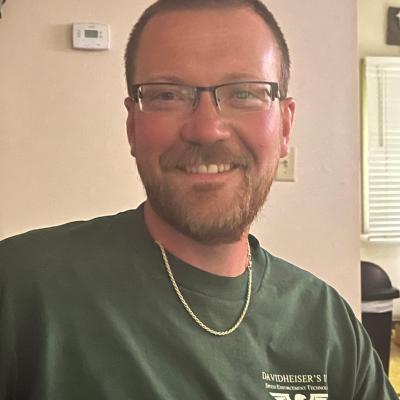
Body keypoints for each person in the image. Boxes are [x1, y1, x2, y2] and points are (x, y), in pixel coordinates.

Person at [0, 0, 397, 399]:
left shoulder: (328, 325)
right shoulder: (20, 289)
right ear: (132, 125)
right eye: (167, 95)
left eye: (245, 93)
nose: (206, 130)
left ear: (285, 126)